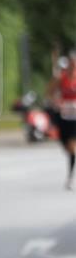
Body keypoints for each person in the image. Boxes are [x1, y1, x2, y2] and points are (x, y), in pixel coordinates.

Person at [47, 48, 76, 189]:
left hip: (75, 118)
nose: (73, 67)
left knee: (72, 147)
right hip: (64, 116)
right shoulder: (61, 78)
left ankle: (70, 178)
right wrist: (56, 102)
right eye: (71, 63)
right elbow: (49, 92)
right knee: (65, 145)